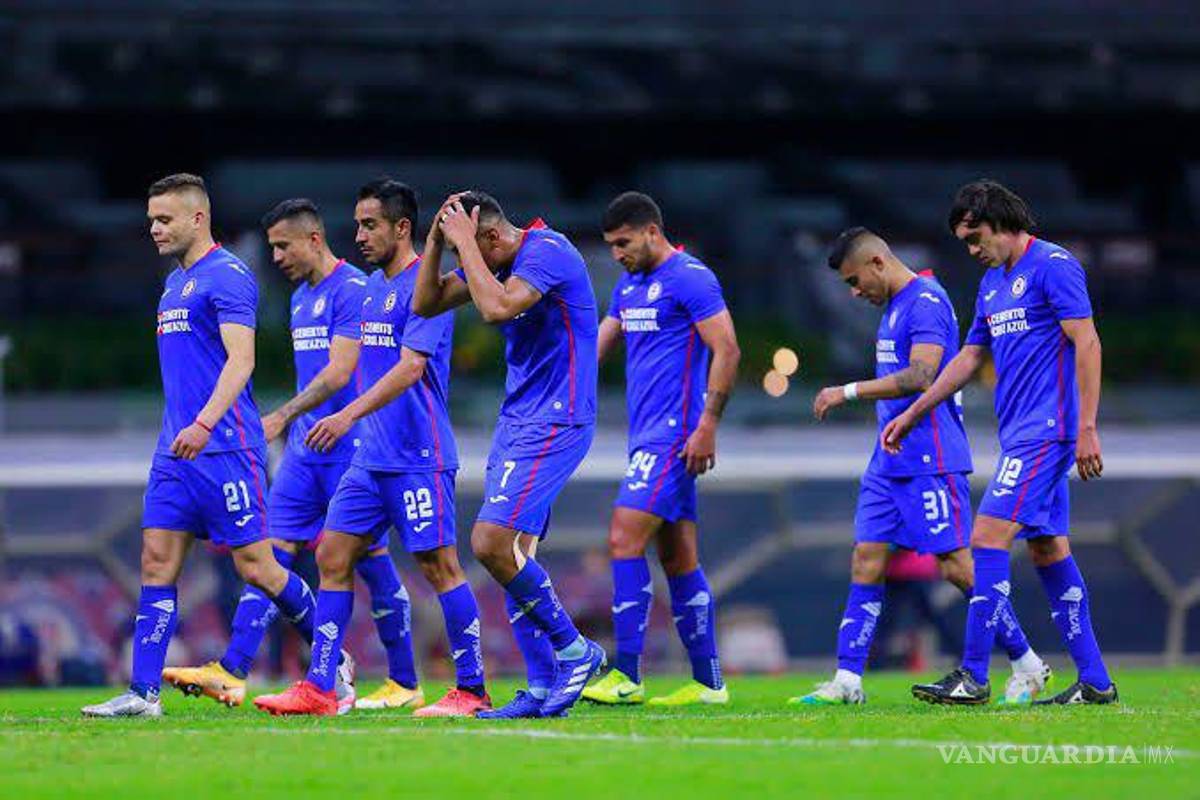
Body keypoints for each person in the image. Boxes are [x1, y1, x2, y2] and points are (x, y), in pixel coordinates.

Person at [83, 174, 331, 717]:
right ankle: (143, 694)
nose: (154, 228)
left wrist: (203, 423)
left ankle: (332, 663)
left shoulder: (230, 276)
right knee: (156, 560)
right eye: (151, 219)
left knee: (258, 569)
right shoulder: (173, 285)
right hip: (176, 451)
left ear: (198, 219)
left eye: (164, 219)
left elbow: (242, 361)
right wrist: (183, 431)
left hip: (225, 449)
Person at [161, 198, 414, 710]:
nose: (275, 256)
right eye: (272, 246)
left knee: (370, 562)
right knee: (265, 558)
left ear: (314, 239)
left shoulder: (354, 290)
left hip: (351, 448)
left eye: (283, 245)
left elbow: (342, 372)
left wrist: (283, 415)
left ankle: (404, 679)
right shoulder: (300, 298)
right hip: (304, 455)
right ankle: (233, 669)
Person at [254, 179, 488, 717]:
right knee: (332, 555)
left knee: (439, 567)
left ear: (403, 228)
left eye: (371, 225)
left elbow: (410, 368)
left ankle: (472, 689)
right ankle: (320, 688)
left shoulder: (425, 289)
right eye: (357, 224)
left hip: (417, 454)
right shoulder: (372, 290)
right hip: (371, 458)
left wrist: (345, 415)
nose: (358, 235)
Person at [791, 227, 1049, 706]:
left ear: (877, 263)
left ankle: (1027, 663)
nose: (854, 292)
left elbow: (922, 375)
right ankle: (848, 681)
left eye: (854, 280)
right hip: (888, 460)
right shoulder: (892, 307)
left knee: (959, 568)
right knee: (866, 559)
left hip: (929, 457)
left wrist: (846, 391)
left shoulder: (925, 300)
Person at [884, 182, 1117, 705]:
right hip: (1021, 433)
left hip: (1048, 429)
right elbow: (969, 357)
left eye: (976, 237)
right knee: (1047, 547)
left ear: (1003, 223)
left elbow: (1088, 340)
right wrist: (917, 410)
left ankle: (973, 675)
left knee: (986, 538)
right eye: (965, 242)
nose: (972, 250)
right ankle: (1096, 682)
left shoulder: (1054, 266)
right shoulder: (992, 283)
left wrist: (1087, 426)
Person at [412, 190, 603, 718]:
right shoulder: (491, 261)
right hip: (518, 421)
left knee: (490, 542)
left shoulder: (549, 252)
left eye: (467, 250)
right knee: (516, 555)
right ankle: (542, 687)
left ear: (492, 237)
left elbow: (496, 308)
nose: (462, 264)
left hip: (558, 418)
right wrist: (434, 243)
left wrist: (463, 247)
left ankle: (574, 650)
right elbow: (424, 303)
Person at [583, 192, 739, 707]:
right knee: (677, 557)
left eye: (623, 243)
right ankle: (709, 681)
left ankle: (627, 673)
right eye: (610, 246)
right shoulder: (629, 286)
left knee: (623, 538)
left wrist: (708, 425)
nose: (617, 254)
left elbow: (727, 348)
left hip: (674, 434)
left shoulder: (690, 277)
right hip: (645, 435)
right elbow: (596, 346)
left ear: (651, 232)